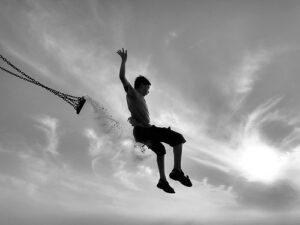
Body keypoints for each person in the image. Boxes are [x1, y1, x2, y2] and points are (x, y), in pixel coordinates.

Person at [117, 48, 192, 194]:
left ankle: (163, 180)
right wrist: (123, 61)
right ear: (141, 85)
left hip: (141, 133)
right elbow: (122, 78)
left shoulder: (140, 99)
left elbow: (135, 114)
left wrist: (134, 120)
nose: (148, 91)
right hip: (144, 131)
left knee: (160, 150)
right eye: (147, 87)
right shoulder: (134, 94)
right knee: (178, 139)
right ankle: (177, 171)